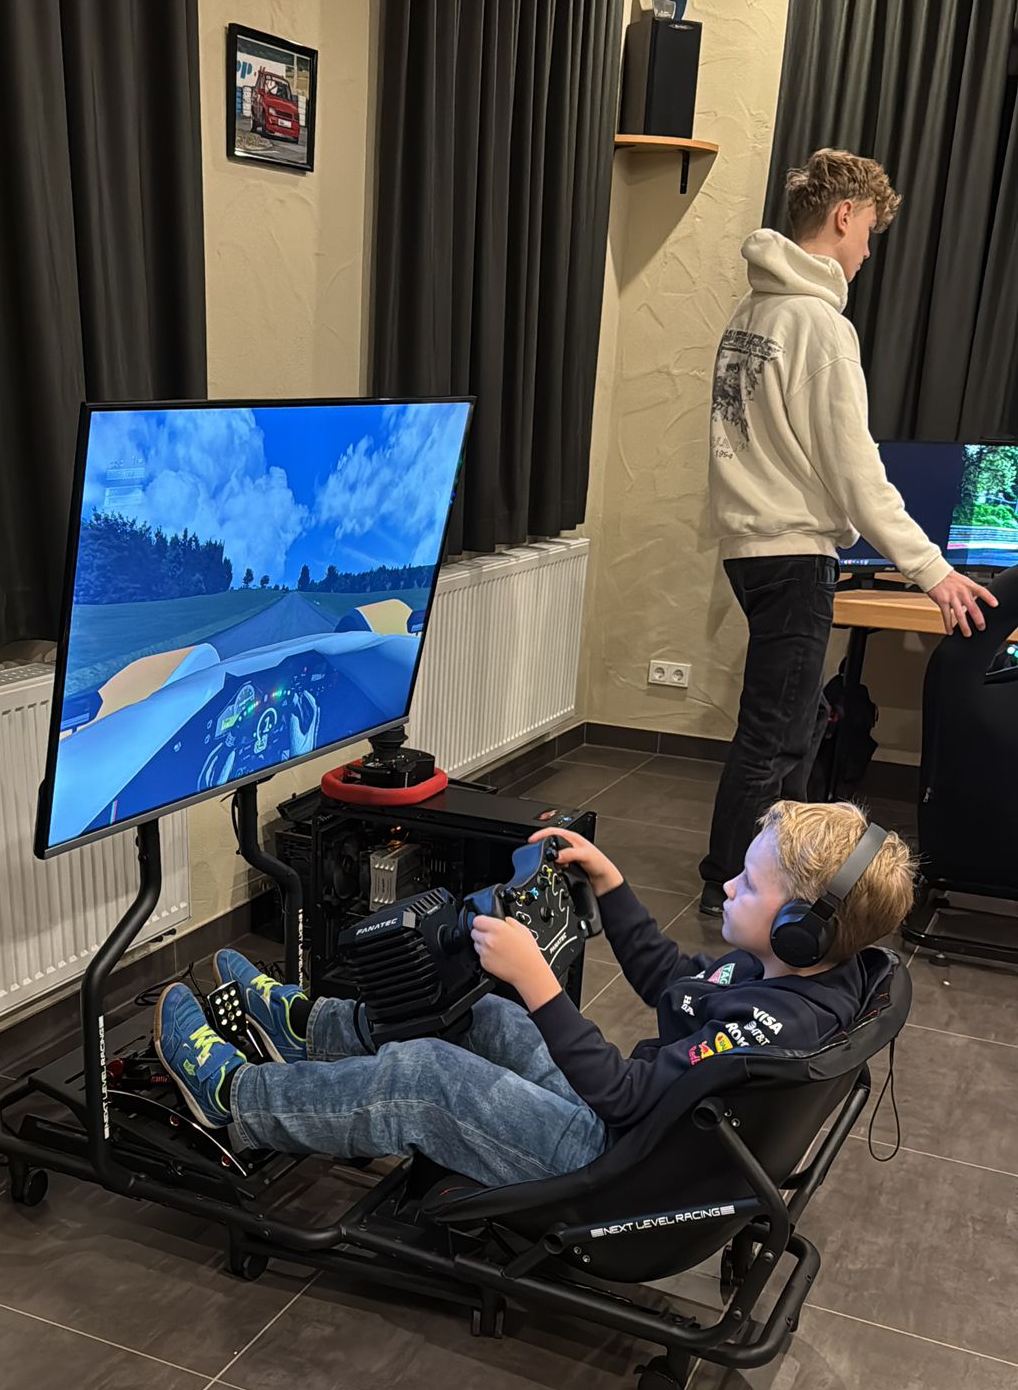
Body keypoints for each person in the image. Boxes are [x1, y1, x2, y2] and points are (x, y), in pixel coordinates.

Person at [152, 800, 915, 1193]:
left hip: (610, 1162)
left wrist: (537, 979)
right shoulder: (797, 976)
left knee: (425, 1077)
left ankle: (234, 1100)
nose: (729, 885)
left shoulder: (764, 1030)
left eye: (748, 884)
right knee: (483, 1014)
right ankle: (307, 1030)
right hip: (637, 1129)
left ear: (800, 929)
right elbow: (672, 981)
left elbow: (621, 1095)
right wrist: (610, 884)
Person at [701, 147, 997, 916]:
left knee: (796, 726)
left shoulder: (752, 314)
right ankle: (732, 887)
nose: (867, 253)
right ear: (843, 217)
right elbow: (857, 475)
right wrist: (933, 570)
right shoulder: (818, 326)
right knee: (775, 737)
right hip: (793, 552)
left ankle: (791, 876)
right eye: (868, 232)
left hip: (748, 548)